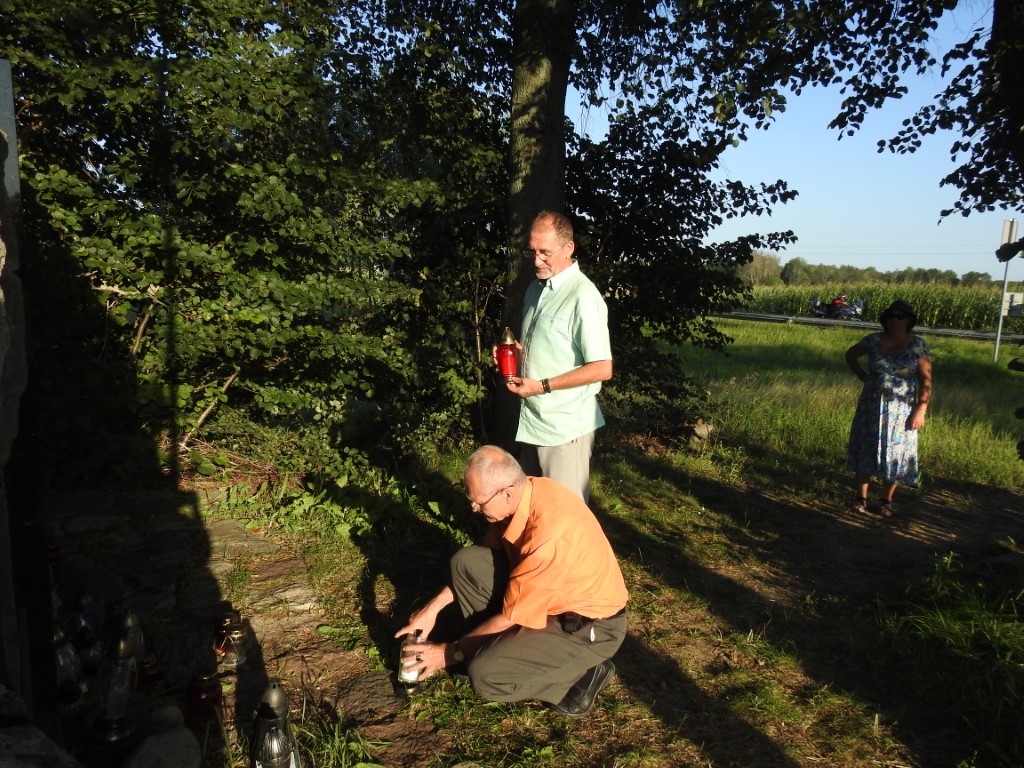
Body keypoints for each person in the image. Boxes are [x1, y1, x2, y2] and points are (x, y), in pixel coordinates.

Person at [394, 445, 629, 717]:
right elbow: (489, 554)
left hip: (585, 626)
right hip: (541, 599)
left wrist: (450, 652)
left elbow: (511, 615)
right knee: (468, 562)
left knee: (484, 676)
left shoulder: (549, 532)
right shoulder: (519, 497)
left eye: (479, 502)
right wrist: (432, 609)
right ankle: (499, 648)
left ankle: (580, 677)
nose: (473, 509)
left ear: (506, 492)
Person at [498, 210, 613, 503]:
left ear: (568, 248)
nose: (537, 261)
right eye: (531, 251)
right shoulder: (535, 290)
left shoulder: (583, 296)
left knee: (566, 515)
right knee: (531, 509)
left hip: (565, 428)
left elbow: (602, 368)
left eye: (545, 253)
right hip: (534, 422)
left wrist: (543, 386)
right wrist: (515, 355)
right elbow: (551, 347)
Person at [844, 299, 933, 517]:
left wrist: (920, 410)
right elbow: (850, 355)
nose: (895, 320)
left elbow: (926, 380)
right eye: (891, 316)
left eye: (900, 316)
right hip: (870, 406)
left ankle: (886, 500)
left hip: (901, 410)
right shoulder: (873, 340)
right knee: (865, 448)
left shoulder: (917, 345)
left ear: (909, 320)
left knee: (895, 452)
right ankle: (861, 497)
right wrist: (862, 375)